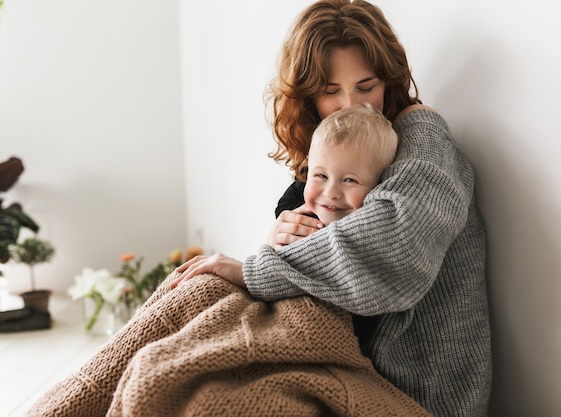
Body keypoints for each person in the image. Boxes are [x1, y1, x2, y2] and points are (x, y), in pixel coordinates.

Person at [174, 1, 492, 417]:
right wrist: (279, 241)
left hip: (415, 394)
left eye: (366, 86)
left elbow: (395, 245)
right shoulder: (337, 156)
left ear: (389, 80)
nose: (351, 105)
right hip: (351, 367)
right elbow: (302, 241)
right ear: (306, 97)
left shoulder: (421, 136)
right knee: (189, 322)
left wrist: (255, 270)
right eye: (330, 91)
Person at [303, 102, 398, 226]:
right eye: (321, 176)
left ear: (379, 184)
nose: (331, 193)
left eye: (350, 180)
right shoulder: (294, 221)